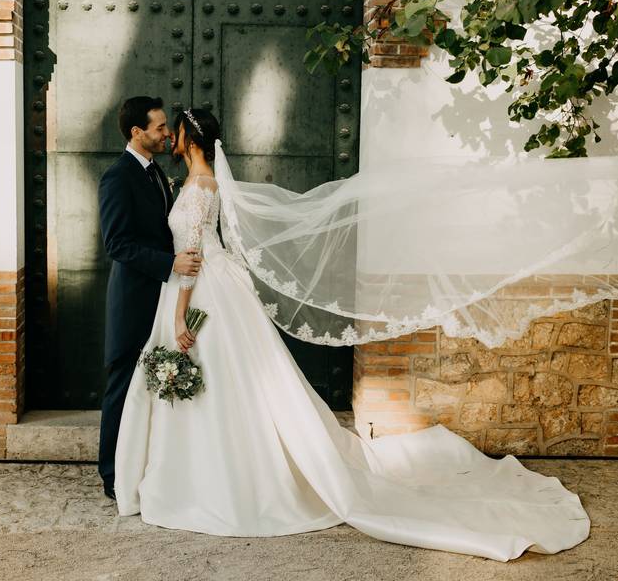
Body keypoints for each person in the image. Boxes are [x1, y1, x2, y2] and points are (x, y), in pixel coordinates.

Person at [110, 107, 592, 562]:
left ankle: (206, 481)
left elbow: (190, 257)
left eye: (173, 129)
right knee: (233, 387)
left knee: (215, 382)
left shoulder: (196, 189)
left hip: (198, 292)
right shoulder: (201, 183)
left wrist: (178, 318)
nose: (168, 136)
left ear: (188, 138)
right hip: (217, 287)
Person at [96, 96, 202, 501]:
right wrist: (170, 264)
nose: (167, 134)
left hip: (161, 295)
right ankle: (112, 476)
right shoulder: (117, 177)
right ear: (136, 132)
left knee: (146, 386)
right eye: (159, 128)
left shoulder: (157, 172)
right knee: (122, 384)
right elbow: (118, 244)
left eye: (166, 127)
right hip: (134, 298)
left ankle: (143, 465)